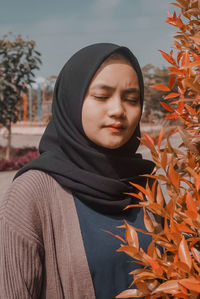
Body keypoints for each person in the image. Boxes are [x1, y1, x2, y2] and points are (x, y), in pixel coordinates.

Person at [0, 43, 155, 299]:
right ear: (72, 100)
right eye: (102, 96)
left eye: (131, 99)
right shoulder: (33, 193)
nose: (118, 110)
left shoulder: (146, 185)